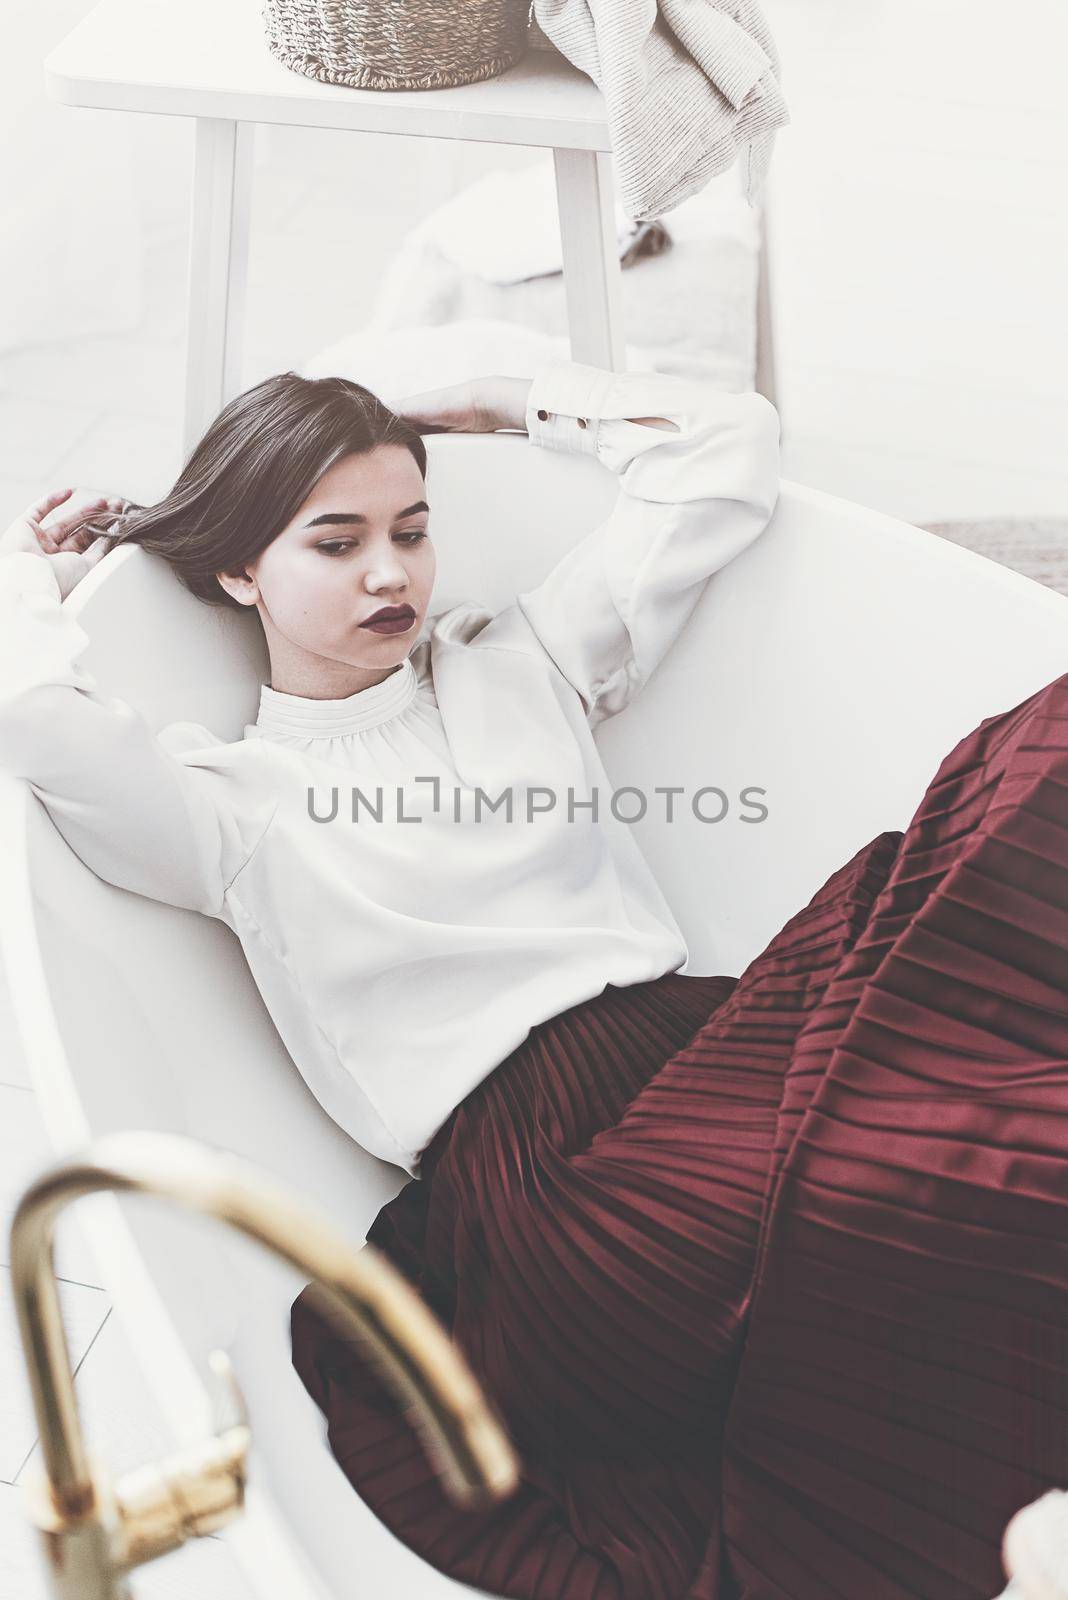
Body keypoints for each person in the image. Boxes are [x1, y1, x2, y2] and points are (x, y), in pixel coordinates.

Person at [3, 362, 1065, 1599]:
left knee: (1026, 773)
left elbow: (724, 449)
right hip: (543, 1176)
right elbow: (31, 709)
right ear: (243, 570)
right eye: (335, 543)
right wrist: (41, 573)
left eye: (411, 529)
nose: (390, 573)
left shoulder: (525, 662)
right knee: (901, 1165)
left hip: (715, 1044)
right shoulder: (225, 807)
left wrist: (491, 396)